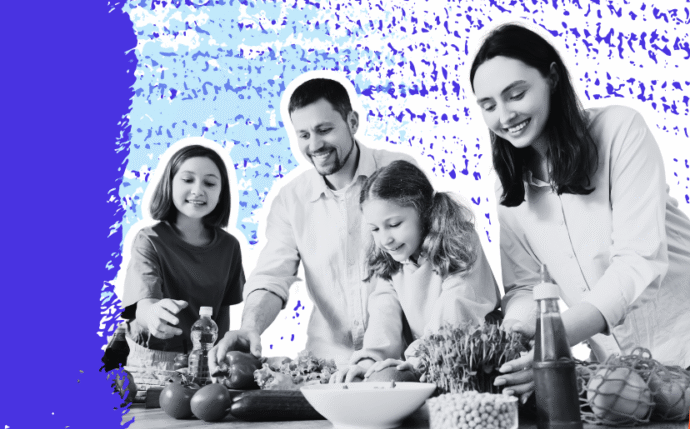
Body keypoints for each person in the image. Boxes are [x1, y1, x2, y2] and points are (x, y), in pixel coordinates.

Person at [468, 24, 690, 399]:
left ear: (552, 78)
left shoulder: (619, 130)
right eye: (489, 105)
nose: (505, 116)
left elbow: (637, 261)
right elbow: (526, 285)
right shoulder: (509, 187)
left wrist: (552, 341)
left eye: (516, 94)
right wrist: (519, 332)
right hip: (620, 374)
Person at [208, 77, 418, 371]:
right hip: (328, 365)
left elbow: (429, 265)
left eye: (324, 130)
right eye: (303, 135)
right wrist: (250, 327)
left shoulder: (398, 172)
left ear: (353, 122)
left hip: (402, 362)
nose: (315, 145)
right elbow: (272, 277)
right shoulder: (291, 199)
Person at [331, 160, 503, 382]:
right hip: (427, 359)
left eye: (394, 224)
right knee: (378, 378)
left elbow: (457, 306)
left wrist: (418, 357)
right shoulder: (391, 258)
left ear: (423, 212)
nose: (385, 239)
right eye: (375, 229)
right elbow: (384, 312)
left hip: (475, 361)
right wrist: (370, 360)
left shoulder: (459, 240)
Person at [119, 144, 245, 386]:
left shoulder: (230, 247)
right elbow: (144, 305)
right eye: (188, 179)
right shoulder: (149, 240)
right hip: (152, 363)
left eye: (209, 183)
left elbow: (222, 317)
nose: (197, 190)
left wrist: (218, 360)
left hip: (201, 365)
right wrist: (152, 315)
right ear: (170, 183)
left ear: (222, 193)